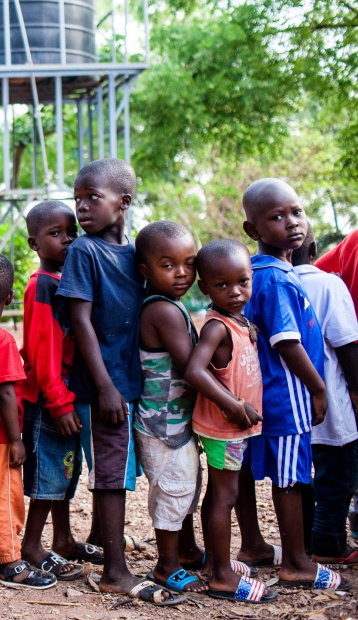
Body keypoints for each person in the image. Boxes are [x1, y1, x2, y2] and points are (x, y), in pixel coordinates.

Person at [57, 158, 181, 605]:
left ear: (124, 202)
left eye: (93, 197)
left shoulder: (135, 255)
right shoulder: (84, 252)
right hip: (104, 386)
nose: (82, 208)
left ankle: (165, 553)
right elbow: (81, 320)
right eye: (78, 200)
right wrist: (105, 384)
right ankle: (115, 571)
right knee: (110, 475)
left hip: (135, 382)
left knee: (129, 471)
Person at [236, 178, 347, 591]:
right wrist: (318, 388)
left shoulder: (254, 271)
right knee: (292, 477)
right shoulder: (279, 279)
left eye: (296, 212)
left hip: (256, 393)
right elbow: (286, 342)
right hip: (286, 394)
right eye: (277, 217)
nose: (292, 223)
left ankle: (252, 545)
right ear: (254, 230)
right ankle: (298, 562)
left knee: (244, 469)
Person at [184, 239, 275, 603]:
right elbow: (194, 369)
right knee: (224, 496)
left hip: (234, 428)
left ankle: (215, 564)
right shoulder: (217, 326)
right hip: (225, 429)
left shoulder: (238, 320)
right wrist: (233, 405)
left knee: (224, 494)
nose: (235, 292)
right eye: (222, 285)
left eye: (242, 282)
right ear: (205, 287)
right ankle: (221, 575)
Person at [0, 252, 57, 591]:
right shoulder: (1, 340)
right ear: (10, 298)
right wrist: (16, 438)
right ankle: (11, 562)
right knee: (4, 496)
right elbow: (5, 394)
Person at [19, 200, 97, 580]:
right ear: (34, 243)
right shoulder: (42, 286)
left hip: (63, 397)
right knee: (48, 475)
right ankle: (32, 546)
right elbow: (43, 351)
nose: (66, 240)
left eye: (71, 233)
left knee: (66, 471)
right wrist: (60, 403)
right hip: (47, 401)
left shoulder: (65, 283)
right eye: (55, 234)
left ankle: (63, 538)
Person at [132, 221, 206, 594]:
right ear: (145, 270)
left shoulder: (172, 305)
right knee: (173, 488)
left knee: (187, 485)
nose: (182, 273)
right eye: (168, 264)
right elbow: (192, 367)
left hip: (175, 422)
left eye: (189, 263)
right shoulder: (161, 310)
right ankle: (166, 565)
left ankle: (188, 550)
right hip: (162, 423)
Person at [292, 227, 358, 564]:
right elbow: (346, 344)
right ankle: (329, 545)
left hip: (290, 408)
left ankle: (303, 543)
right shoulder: (329, 284)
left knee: (300, 479)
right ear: (314, 248)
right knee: (340, 478)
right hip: (331, 405)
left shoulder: (263, 283)